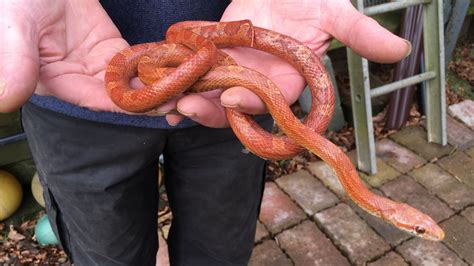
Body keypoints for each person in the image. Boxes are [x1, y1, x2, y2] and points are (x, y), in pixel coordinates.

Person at [0, 0, 411, 265]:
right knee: (108, 255)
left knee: (219, 253)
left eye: (416, 229)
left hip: (230, 91)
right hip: (73, 90)